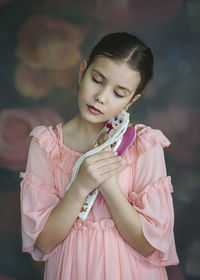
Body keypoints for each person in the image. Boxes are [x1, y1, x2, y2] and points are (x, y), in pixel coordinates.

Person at [20, 32, 179, 280]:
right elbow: (44, 243)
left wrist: (108, 184)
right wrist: (81, 184)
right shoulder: (47, 145)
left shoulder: (144, 146)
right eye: (97, 79)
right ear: (82, 71)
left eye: (119, 93)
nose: (101, 97)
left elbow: (148, 245)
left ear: (132, 100)